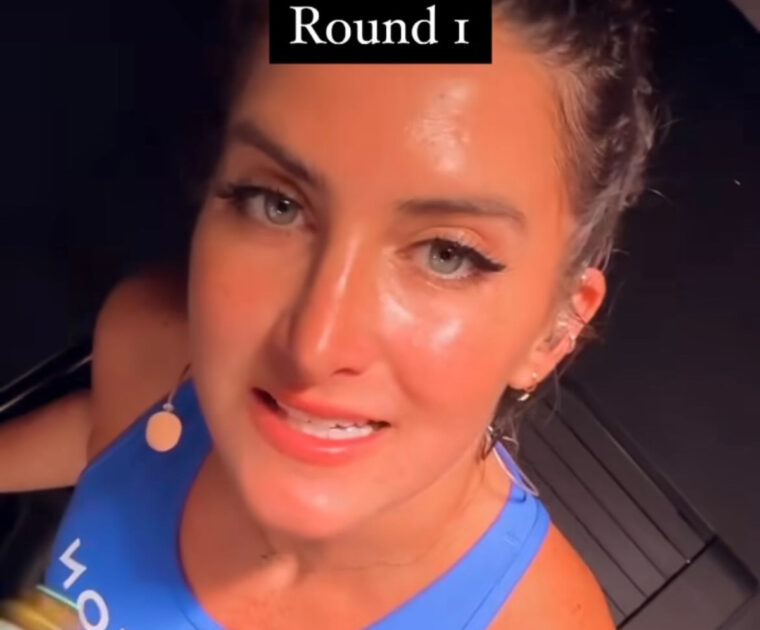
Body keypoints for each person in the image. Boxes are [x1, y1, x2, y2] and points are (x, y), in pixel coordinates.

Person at [0, 0, 659, 628]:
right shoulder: (154, 338)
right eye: (276, 204)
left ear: (554, 329)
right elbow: (111, 442)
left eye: (447, 253)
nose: (313, 347)